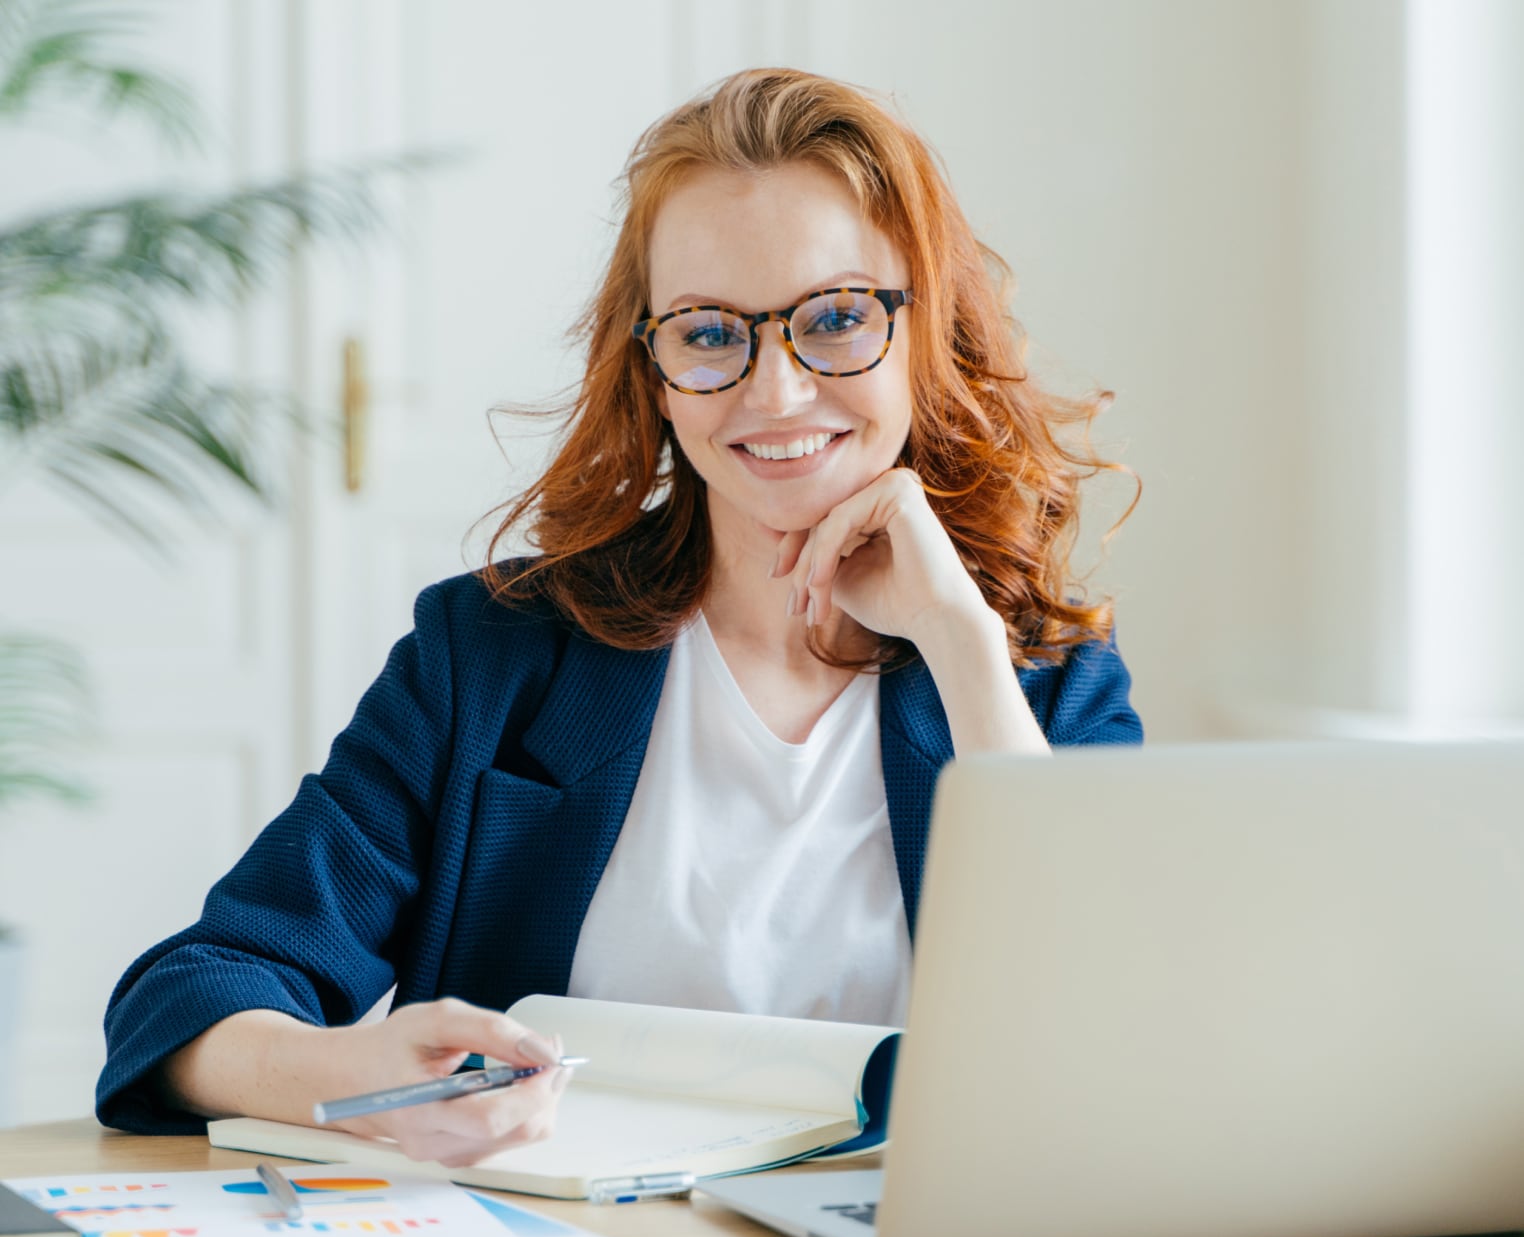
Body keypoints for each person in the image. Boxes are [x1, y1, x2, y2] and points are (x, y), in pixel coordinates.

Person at [97, 68, 1142, 1168]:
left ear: (926, 331)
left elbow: (1131, 1027)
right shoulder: (491, 658)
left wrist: (964, 642)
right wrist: (350, 1075)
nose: (776, 392)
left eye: (836, 318)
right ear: (648, 366)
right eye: (707, 333)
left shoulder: (1039, 674)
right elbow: (184, 1001)